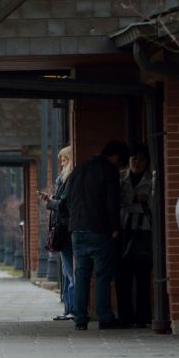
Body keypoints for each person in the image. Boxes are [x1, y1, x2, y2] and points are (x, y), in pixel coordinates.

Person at [63, 140, 130, 331]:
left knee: (81, 275)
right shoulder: (109, 171)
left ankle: (80, 319)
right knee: (102, 276)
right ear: (115, 156)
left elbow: (68, 200)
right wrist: (115, 227)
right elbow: (112, 202)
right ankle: (105, 317)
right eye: (120, 162)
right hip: (99, 230)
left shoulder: (78, 170)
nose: (119, 166)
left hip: (77, 229)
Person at [116, 144, 153, 328]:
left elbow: (153, 202)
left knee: (143, 278)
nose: (137, 163)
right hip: (122, 231)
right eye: (134, 159)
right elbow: (116, 200)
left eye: (141, 159)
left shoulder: (151, 178)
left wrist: (131, 200)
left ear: (147, 162)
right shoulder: (120, 177)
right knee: (122, 277)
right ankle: (125, 317)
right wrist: (135, 199)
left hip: (144, 231)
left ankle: (142, 317)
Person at [40, 146, 74, 321]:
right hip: (61, 228)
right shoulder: (62, 180)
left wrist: (50, 202)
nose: (62, 164)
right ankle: (69, 308)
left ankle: (73, 309)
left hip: (66, 230)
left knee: (70, 271)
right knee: (67, 272)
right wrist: (51, 199)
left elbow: (64, 205)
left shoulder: (70, 180)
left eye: (64, 160)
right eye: (61, 161)